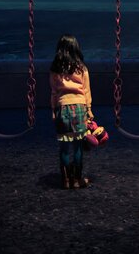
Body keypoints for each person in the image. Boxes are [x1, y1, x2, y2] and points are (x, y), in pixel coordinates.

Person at [49, 34, 95, 189]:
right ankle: (77, 180)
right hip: (80, 108)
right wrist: (89, 111)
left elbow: (54, 92)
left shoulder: (55, 69)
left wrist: (54, 111)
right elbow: (86, 91)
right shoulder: (82, 68)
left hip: (63, 108)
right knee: (78, 146)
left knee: (64, 147)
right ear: (76, 48)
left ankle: (65, 180)